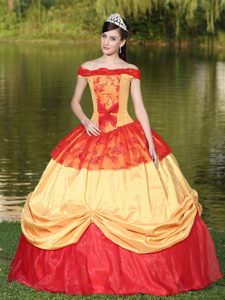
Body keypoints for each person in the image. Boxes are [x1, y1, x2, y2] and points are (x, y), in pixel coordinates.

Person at [8, 13, 222, 296]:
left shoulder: (130, 70)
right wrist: (85, 120)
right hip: (92, 135)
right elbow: (74, 100)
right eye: (103, 37)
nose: (106, 43)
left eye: (112, 39)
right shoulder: (87, 67)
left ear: (122, 43)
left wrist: (149, 142)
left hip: (126, 134)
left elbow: (140, 109)